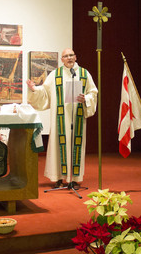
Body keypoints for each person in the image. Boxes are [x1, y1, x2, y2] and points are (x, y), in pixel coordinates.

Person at [26, 48, 98, 188]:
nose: (69, 58)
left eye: (71, 55)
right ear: (62, 59)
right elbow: (45, 92)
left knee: (75, 146)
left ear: (76, 57)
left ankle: (74, 178)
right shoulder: (55, 74)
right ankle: (58, 177)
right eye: (66, 56)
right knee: (57, 146)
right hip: (59, 119)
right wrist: (35, 89)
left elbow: (93, 92)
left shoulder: (84, 73)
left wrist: (86, 99)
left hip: (77, 118)